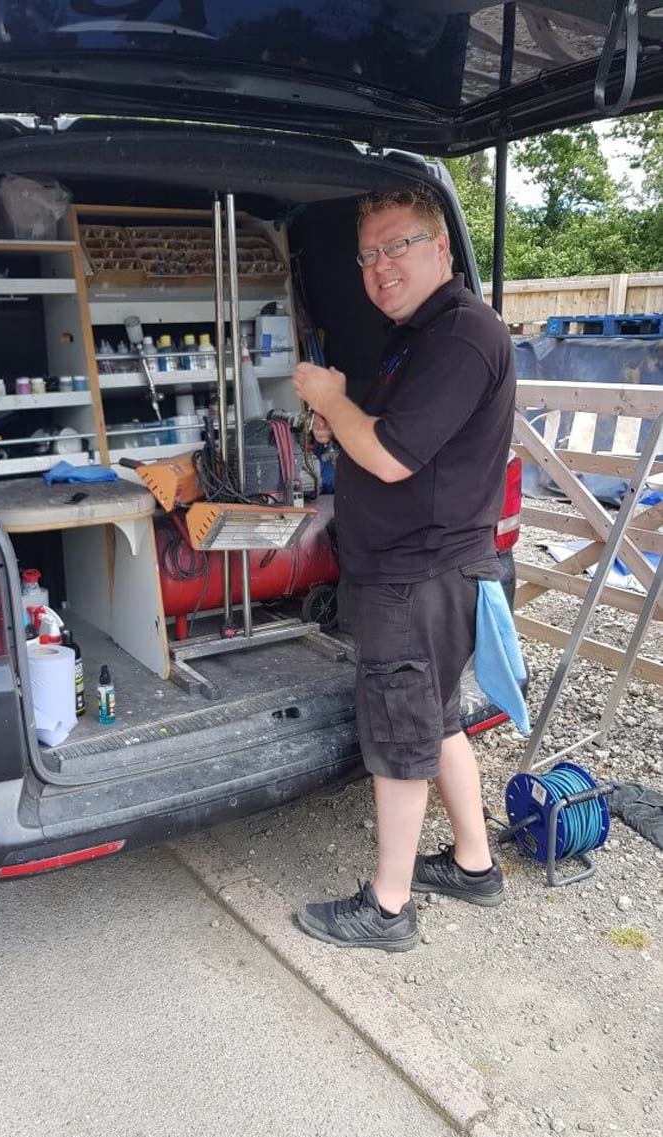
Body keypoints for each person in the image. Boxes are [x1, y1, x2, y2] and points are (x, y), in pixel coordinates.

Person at [292, 188, 516, 953]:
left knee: (399, 736)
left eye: (399, 245)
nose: (381, 267)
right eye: (369, 254)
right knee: (439, 715)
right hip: (419, 569)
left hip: (416, 576)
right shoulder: (415, 335)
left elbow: (389, 456)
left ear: (444, 247)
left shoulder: (460, 336)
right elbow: (386, 433)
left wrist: (332, 398)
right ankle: (474, 864)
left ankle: (386, 909)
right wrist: (343, 417)